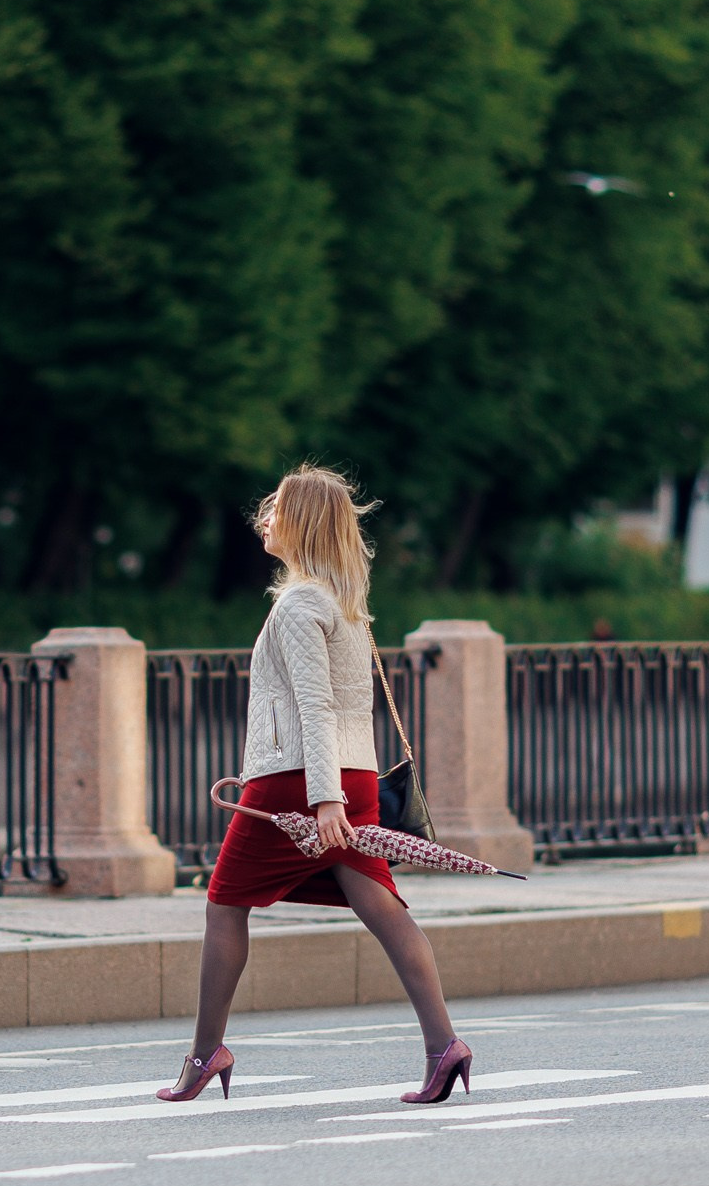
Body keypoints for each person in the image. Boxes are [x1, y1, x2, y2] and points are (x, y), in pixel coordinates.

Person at [157, 465, 473, 1106]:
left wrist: (323, 799)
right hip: (348, 775)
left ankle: (204, 1053)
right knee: (381, 907)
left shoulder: (301, 605)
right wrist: (337, 792)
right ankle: (444, 1046)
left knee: (224, 903)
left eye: (275, 510)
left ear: (300, 524)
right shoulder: (345, 603)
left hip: (298, 781)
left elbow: (315, 706)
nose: (263, 519)